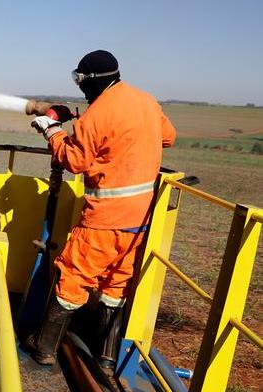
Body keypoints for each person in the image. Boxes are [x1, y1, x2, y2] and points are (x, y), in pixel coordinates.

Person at [26, 50, 177, 368]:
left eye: (79, 80)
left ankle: (44, 347)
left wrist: (52, 131)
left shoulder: (97, 115)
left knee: (73, 275)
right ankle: (107, 358)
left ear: (89, 81)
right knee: (116, 281)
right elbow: (168, 137)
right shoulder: (146, 101)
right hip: (141, 218)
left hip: (105, 218)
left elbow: (74, 161)